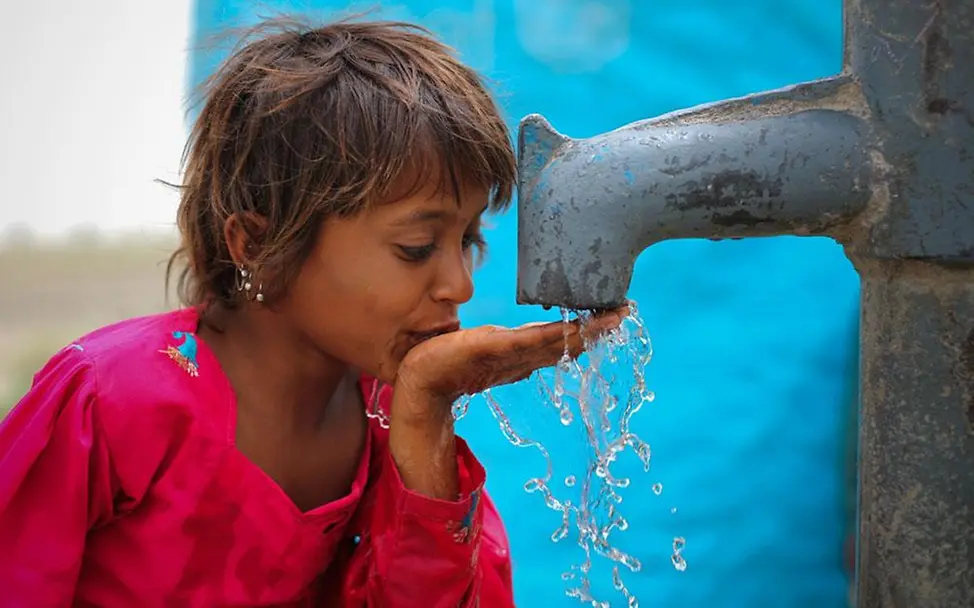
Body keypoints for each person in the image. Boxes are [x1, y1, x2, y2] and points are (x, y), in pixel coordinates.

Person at [0, 16, 626, 607]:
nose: (460, 286)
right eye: (416, 248)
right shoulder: (110, 401)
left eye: (468, 241)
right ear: (260, 245)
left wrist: (423, 420)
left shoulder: (390, 421)